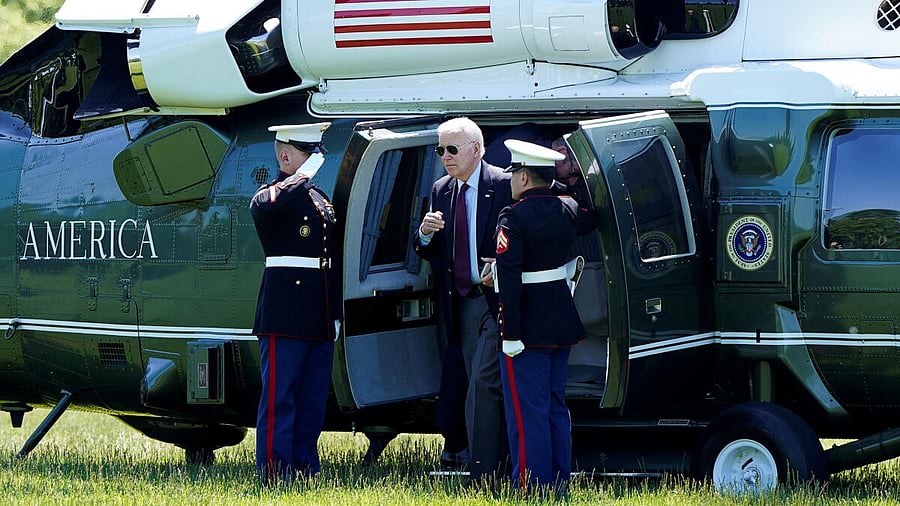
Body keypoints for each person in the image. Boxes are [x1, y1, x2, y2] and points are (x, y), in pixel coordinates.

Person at [413, 117, 512, 481]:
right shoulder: (441, 189)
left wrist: (500, 265)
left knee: (484, 384)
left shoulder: (502, 184)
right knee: (474, 384)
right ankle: (486, 462)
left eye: (452, 149)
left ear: (476, 148)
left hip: (495, 301)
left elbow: (522, 238)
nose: (445, 157)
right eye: (440, 150)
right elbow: (430, 251)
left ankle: (486, 472)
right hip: (462, 304)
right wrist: (423, 233)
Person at [493, 139, 588, 494]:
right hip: (560, 319)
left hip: (527, 328)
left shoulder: (512, 217)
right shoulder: (566, 208)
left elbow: (510, 281)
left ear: (523, 177)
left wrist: (510, 333)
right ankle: (559, 483)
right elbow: (592, 215)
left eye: (515, 172)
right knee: (554, 407)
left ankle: (531, 486)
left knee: (525, 412)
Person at [250, 122, 342, 484]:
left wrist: (333, 312)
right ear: (286, 156)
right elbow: (266, 205)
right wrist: (300, 176)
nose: (316, 160)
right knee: (280, 397)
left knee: (311, 397)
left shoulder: (318, 199)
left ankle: (304, 468)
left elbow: (328, 259)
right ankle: (274, 470)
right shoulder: (272, 196)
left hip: (317, 312)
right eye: (309, 153)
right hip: (284, 313)